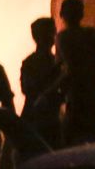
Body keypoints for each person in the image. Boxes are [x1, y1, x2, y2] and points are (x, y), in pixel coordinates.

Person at [56, 0, 95, 145]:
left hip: (76, 97)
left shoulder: (63, 37)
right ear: (81, 14)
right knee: (89, 134)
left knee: (69, 140)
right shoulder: (91, 34)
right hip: (92, 94)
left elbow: (64, 67)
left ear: (62, 15)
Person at [18, 15, 63, 148]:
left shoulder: (29, 62)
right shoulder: (56, 63)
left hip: (33, 119)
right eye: (51, 32)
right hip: (44, 120)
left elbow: (26, 89)